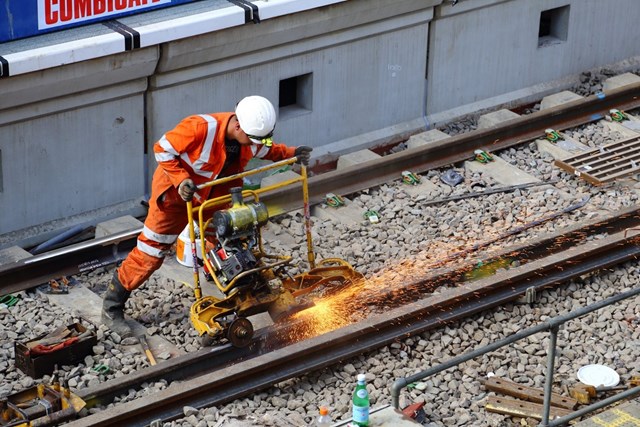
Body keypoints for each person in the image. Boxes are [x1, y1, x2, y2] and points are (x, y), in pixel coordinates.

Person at [102, 96, 313, 338]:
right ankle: (112, 306)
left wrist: (292, 153)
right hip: (175, 197)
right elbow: (162, 149)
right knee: (151, 252)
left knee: (230, 238)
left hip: (215, 197)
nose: (255, 145)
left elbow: (267, 149)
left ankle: (238, 287)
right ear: (237, 127)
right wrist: (181, 180)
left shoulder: (251, 136)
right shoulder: (200, 128)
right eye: (253, 139)